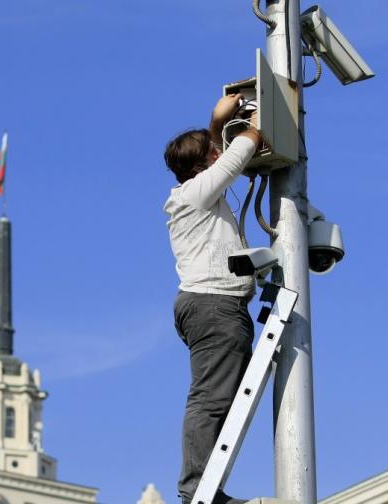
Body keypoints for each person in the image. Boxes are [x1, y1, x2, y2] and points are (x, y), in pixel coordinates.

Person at [163, 94, 262, 504]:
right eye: (212, 150)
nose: (219, 150)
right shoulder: (195, 194)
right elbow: (234, 157)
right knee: (210, 398)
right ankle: (196, 490)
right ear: (202, 164)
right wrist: (261, 120)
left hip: (212, 304)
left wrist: (218, 120)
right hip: (213, 304)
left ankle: (204, 486)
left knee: (220, 395)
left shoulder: (196, 192)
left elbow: (220, 159)